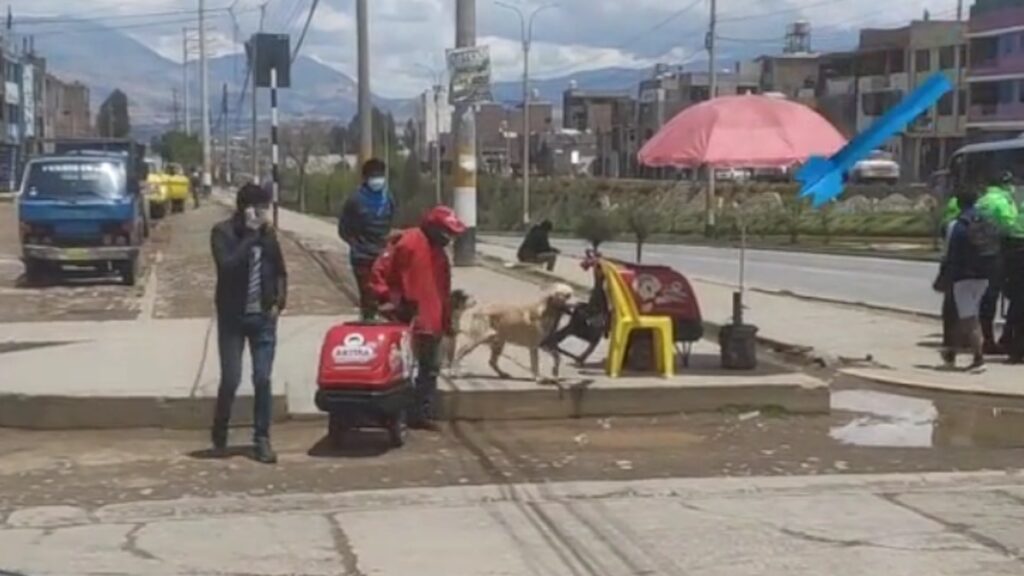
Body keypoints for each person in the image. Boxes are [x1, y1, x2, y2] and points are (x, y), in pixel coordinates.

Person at [209, 183, 288, 463]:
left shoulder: (268, 235)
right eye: (260, 208)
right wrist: (249, 237)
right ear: (246, 209)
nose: (264, 213)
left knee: (262, 378)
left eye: (266, 208)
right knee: (231, 378)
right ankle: (220, 426)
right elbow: (227, 267)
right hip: (233, 317)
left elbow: (280, 270)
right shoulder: (222, 233)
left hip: (263, 317)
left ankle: (262, 438)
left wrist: (279, 301)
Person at [369, 205, 466, 430]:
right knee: (401, 369)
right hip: (405, 318)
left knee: (429, 369)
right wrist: (389, 299)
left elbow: (442, 290)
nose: (449, 238)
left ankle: (419, 414)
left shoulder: (440, 255)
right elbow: (379, 273)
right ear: (433, 228)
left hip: (433, 321)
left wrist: (447, 319)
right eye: (446, 232)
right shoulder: (407, 242)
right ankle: (395, 414)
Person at [943, 187, 1000, 372]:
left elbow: (948, 254)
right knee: (965, 313)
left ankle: (978, 358)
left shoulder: (956, 225)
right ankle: (951, 351)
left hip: (963, 277)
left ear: (959, 204)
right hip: (984, 274)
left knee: (969, 318)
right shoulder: (987, 221)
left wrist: (945, 277)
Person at [339, 159, 395, 319]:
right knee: (368, 295)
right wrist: (356, 244)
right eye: (373, 176)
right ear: (365, 178)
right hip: (362, 257)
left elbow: (390, 221)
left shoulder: (388, 199)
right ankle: (368, 321)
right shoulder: (355, 200)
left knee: (385, 295)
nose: (377, 180)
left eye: (380, 175)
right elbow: (343, 229)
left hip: (383, 256)